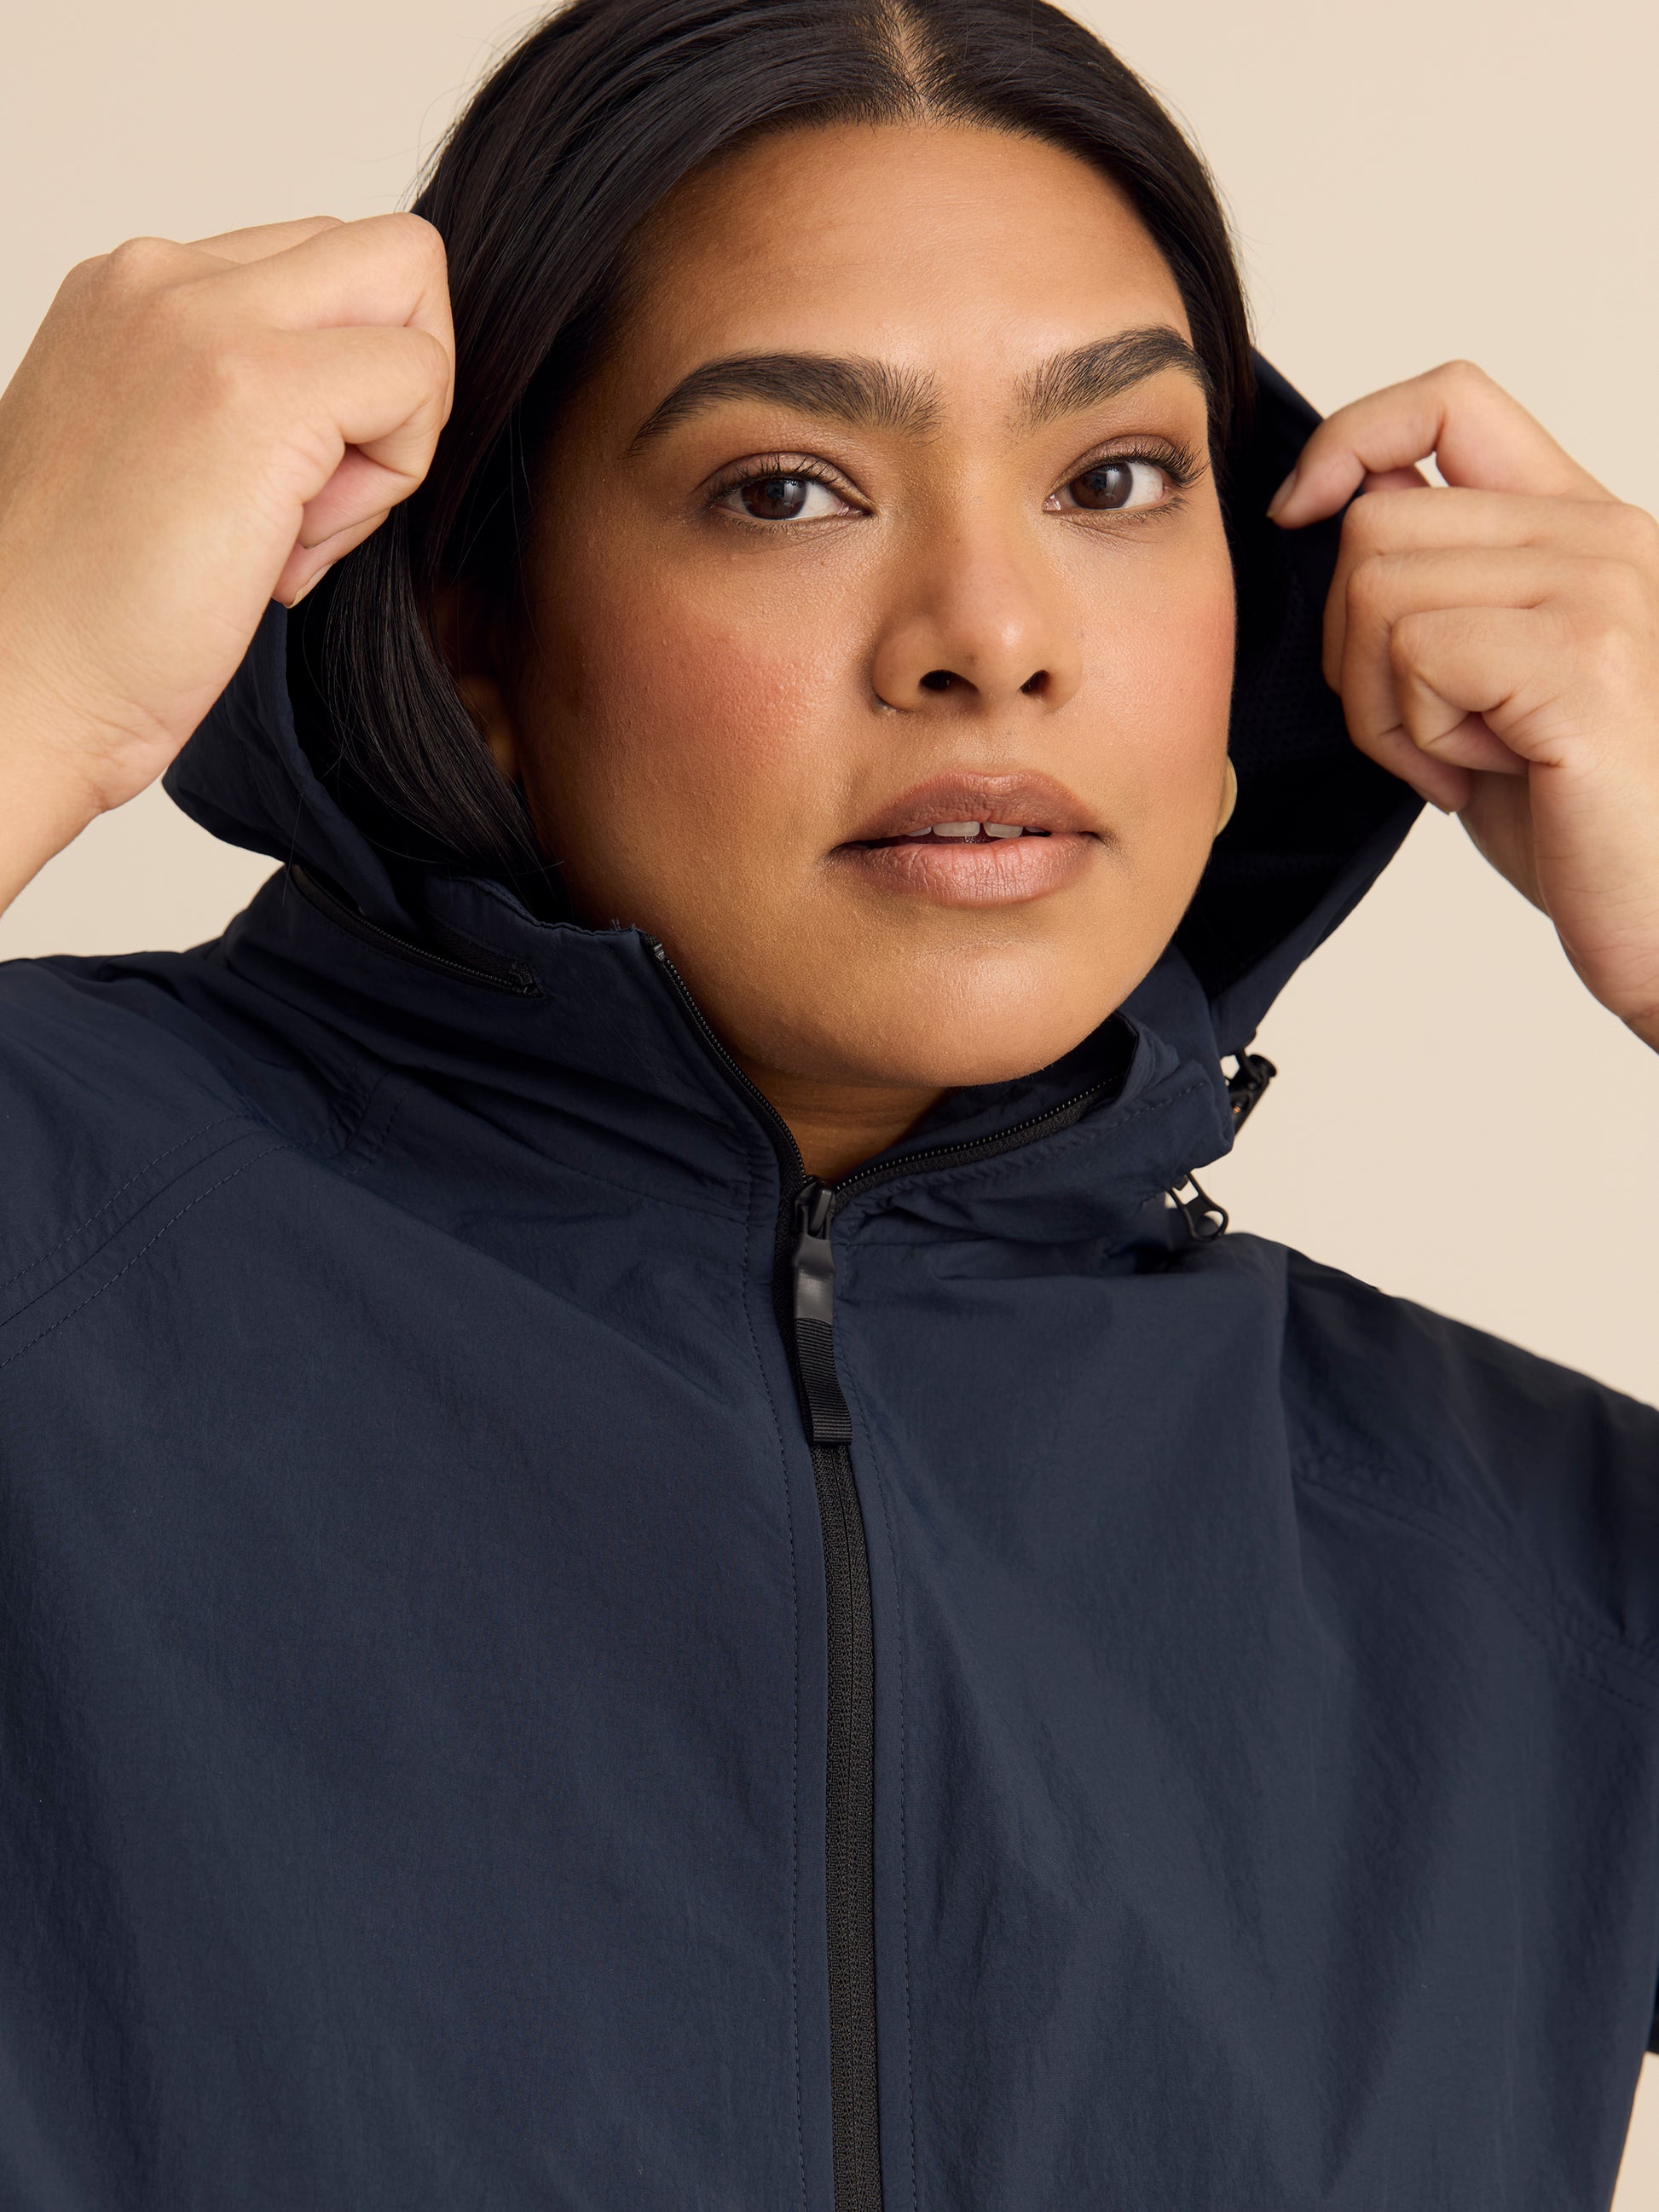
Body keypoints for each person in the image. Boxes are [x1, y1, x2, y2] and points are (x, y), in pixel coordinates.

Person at [0, 0, 1656, 2200]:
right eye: (784, 489)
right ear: (475, 629)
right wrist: (23, 663)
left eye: (1112, 480)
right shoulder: (53, 1250)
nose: (990, 633)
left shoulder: (1513, 1550)